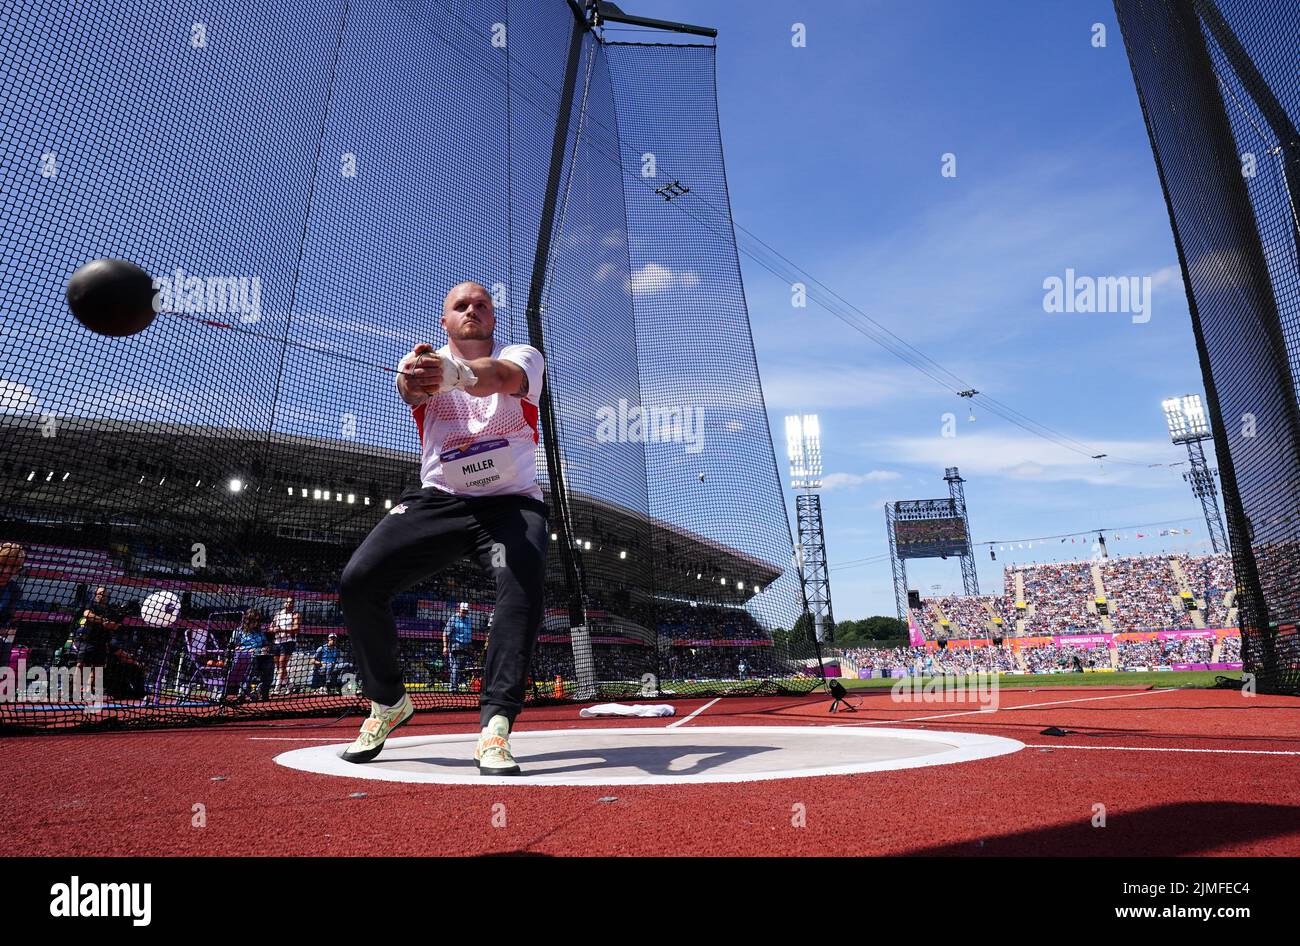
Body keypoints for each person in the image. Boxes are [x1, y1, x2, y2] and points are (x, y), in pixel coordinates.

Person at [338, 281, 547, 774]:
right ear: (444, 320)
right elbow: (411, 388)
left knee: (522, 586)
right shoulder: (421, 363)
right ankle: (388, 701)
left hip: (510, 504)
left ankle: (495, 726)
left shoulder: (524, 355)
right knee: (358, 582)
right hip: (440, 501)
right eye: (461, 305)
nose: (473, 309)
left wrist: (453, 372)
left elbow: (497, 377)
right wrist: (415, 379)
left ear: (493, 318)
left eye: (482, 305)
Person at [78, 586, 122, 697]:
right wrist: (102, 620)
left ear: (107, 596)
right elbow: (87, 614)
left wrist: (109, 624)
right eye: (99, 593)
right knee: (80, 665)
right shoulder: (92, 605)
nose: (101, 596)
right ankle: (73, 688)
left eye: (103, 594)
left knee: (97, 668)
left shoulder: (111, 610)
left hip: (102, 642)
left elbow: (116, 625)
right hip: (88, 640)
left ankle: (88, 690)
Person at [0, 542, 26, 670]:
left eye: (13, 567)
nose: (6, 571)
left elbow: (7, 621)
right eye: (3, 565)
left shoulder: (14, 590)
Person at [270, 596, 301, 694]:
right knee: (279, 667)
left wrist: (281, 630)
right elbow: (271, 627)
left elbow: (296, 629)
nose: (289, 604)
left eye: (291, 603)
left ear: (293, 604)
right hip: (277, 641)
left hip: (288, 642)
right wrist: (273, 630)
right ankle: (290, 686)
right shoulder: (278, 614)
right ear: (284, 603)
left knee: (282, 665)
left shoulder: (295, 615)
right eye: (287, 602)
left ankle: (277, 689)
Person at [444, 602, 473, 693]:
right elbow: (445, 633)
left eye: (466, 611)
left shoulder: (468, 619)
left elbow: (468, 633)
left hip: (466, 646)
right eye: (463, 611)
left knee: (461, 667)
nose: (464, 613)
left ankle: (456, 685)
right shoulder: (453, 619)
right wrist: (445, 647)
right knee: (455, 666)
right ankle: (453, 688)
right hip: (455, 645)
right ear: (459, 609)